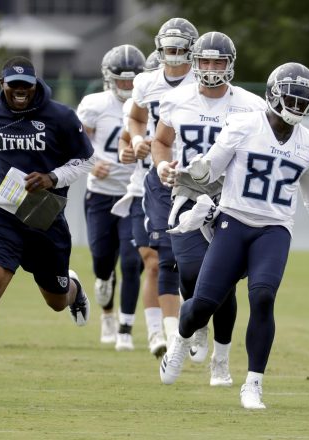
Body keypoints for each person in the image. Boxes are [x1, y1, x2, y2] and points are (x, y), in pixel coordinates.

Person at [159, 62, 309, 409]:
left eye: (302, 100)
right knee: (202, 305)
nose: (297, 106)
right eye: (291, 98)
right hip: (233, 221)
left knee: (262, 297)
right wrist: (191, 185)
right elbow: (210, 170)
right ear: (273, 96)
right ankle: (181, 338)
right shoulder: (245, 124)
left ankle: (253, 384)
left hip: (274, 230)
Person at [0, 56, 95, 405]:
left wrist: (52, 178)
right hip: (2, 215)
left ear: (35, 84)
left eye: (26, 86)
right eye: (13, 86)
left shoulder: (60, 116)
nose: (20, 93)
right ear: (2, 83)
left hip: (45, 219)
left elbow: (85, 161)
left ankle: (73, 289)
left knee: (56, 302)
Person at [152, 31, 267, 385]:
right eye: (205, 61)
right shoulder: (177, 99)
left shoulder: (250, 104)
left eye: (219, 61)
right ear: (195, 61)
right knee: (189, 271)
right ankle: (197, 321)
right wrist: (161, 166)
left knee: (225, 282)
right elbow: (160, 140)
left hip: (232, 196)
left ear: (230, 64)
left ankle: (221, 359)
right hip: (189, 189)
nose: (212, 67)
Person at [128, 17, 199, 351]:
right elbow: (136, 118)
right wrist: (139, 139)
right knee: (162, 258)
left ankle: (195, 322)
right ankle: (169, 334)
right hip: (161, 175)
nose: (173, 53)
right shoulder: (146, 82)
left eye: (179, 47)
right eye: (168, 46)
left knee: (197, 262)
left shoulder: (204, 79)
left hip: (201, 179)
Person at [77, 45, 145, 351]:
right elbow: (75, 145)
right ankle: (106, 313)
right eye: (122, 81)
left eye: (132, 82)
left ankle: (125, 330)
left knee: (132, 263)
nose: (128, 87)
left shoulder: (149, 103)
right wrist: (93, 164)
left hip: (134, 194)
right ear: (109, 78)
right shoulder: (94, 104)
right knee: (103, 261)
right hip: (102, 195)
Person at [114, 50, 167, 357]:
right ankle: (156, 332)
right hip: (142, 190)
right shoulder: (142, 101)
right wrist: (128, 149)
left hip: (180, 190)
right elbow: (125, 137)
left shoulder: (191, 104)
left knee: (186, 269)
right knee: (153, 262)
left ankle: (182, 326)